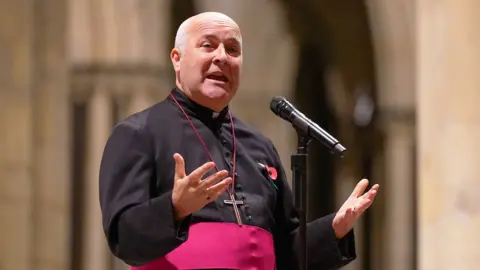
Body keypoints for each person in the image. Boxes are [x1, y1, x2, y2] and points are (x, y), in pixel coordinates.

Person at [99, 11, 379, 270]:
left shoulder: (259, 145)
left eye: (232, 50)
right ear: (177, 59)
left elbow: (284, 251)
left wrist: (333, 229)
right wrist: (175, 208)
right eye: (208, 46)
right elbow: (123, 237)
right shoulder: (138, 133)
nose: (222, 57)